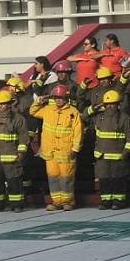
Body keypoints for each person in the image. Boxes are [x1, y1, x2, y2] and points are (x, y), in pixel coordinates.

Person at [30, 84, 83, 212]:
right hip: (50, 152)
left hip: (66, 151)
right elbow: (33, 111)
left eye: (61, 97)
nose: (59, 100)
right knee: (53, 177)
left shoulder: (73, 112)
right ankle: (56, 201)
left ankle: (68, 201)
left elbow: (78, 132)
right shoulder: (48, 109)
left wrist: (75, 149)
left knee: (66, 177)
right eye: (56, 97)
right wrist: (39, 101)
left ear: (66, 98)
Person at [92, 89, 130, 209]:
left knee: (118, 180)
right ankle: (106, 201)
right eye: (108, 104)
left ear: (118, 104)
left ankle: (119, 202)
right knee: (104, 180)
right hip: (102, 156)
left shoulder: (124, 118)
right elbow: (84, 117)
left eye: (113, 103)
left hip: (118, 156)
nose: (110, 106)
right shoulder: (99, 117)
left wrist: (126, 152)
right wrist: (93, 108)